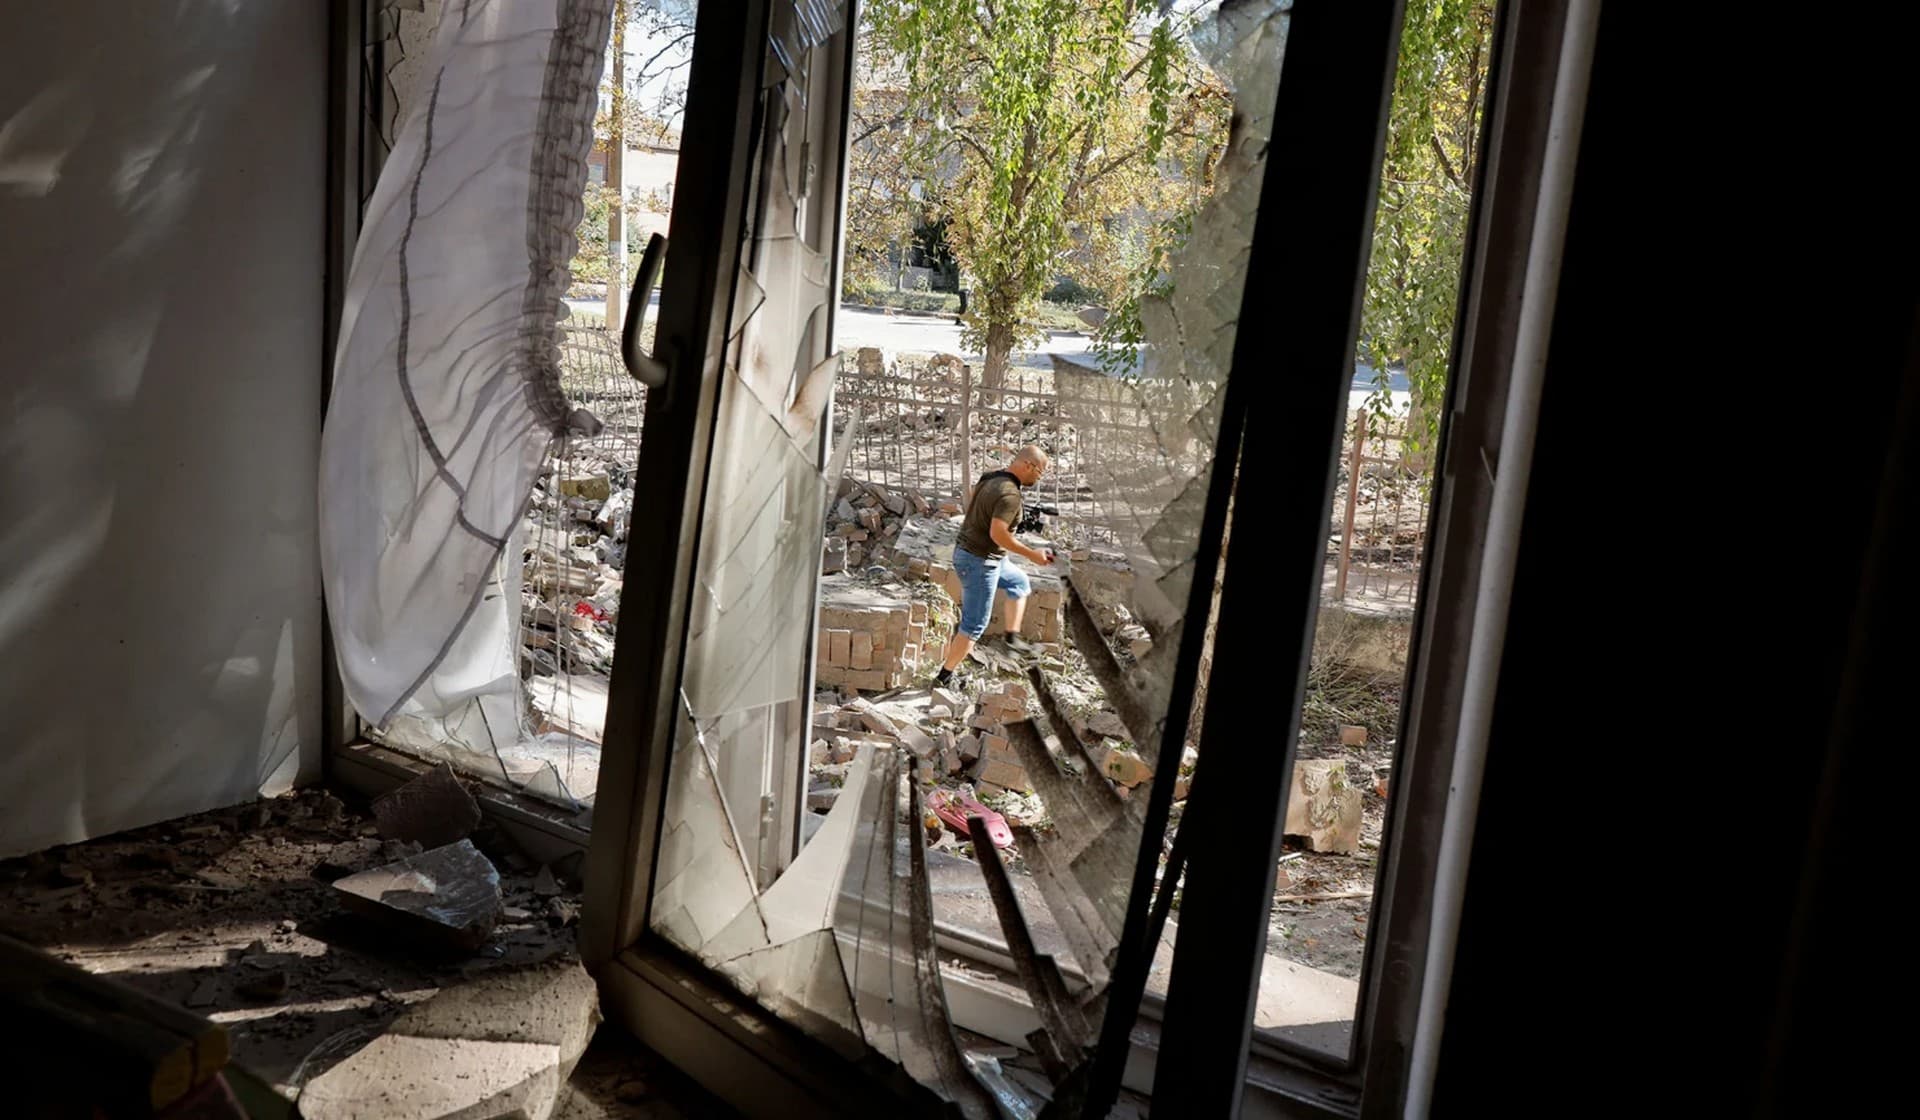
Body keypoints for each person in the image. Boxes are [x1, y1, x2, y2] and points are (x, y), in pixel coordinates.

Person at [934, 445, 1056, 688]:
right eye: (1039, 473)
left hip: (983, 556)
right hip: (980, 563)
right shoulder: (1010, 495)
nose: (1038, 479)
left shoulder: (992, 476)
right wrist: (1032, 554)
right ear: (1028, 466)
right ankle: (944, 678)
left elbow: (978, 504)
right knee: (974, 625)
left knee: (1019, 583)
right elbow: (998, 534)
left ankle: (1011, 639)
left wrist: (1013, 524)